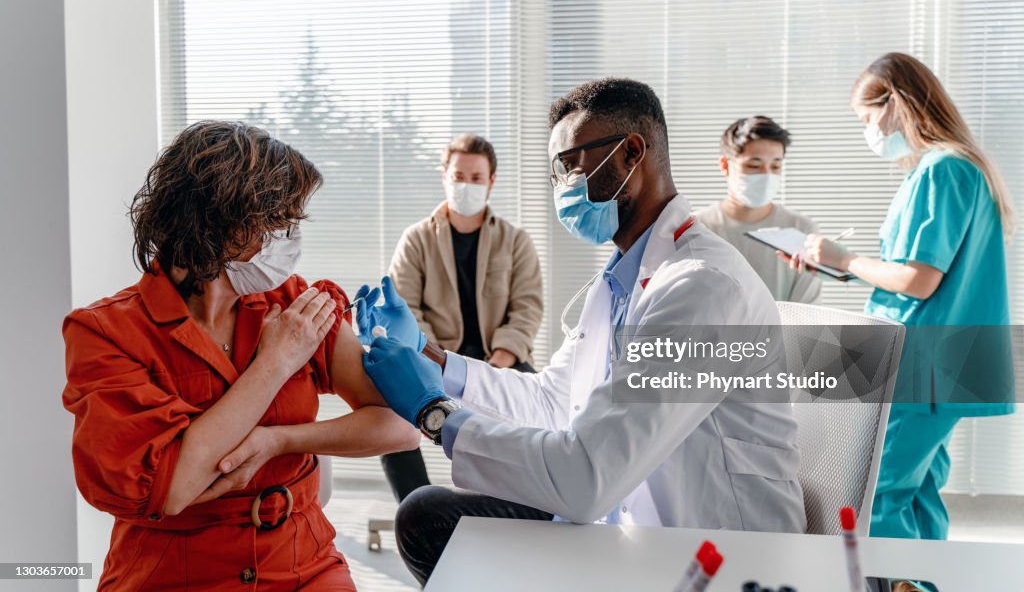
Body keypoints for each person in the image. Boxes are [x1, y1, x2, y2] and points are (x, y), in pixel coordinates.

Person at [357, 78, 807, 585]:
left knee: (443, 522)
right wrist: (435, 361)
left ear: (631, 153)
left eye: (570, 163)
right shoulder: (620, 281)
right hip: (636, 527)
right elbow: (554, 400)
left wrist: (434, 413)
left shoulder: (700, 287)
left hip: (717, 557)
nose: (563, 185)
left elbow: (587, 480)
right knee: (429, 515)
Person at [62, 121, 420, 590]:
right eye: (277, 223)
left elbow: (402, 427)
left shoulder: (295, 304)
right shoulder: (108, 333)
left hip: (302, 563)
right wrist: (274, 364)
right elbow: (170, 489)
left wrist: (280, 441)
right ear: (214, 223)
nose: (289, 239)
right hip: (172, 572)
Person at [796, 52, 1016, 540]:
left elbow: (918, 281)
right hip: (943, 364)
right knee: (918, 494)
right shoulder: (956, 169)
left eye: (867, 118)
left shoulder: (942, 171)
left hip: (922, 364)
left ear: (895, 103)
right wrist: (840, 266)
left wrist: (844, 258)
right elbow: (920, 275)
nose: (868, 131)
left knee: (878, 496)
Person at [378, 133, 544, 502]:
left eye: (475, 178)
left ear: (491, 182)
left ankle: (524, 510)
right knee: (388, 417)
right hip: (433, 362)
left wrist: (496, 364)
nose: (465, 185)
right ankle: (419, 512)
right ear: (444, 175)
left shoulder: (516, 241)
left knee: (545, 415)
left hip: (500, 363)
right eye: (459, 176)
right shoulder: (416, 239)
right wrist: (439, 362)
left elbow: (527, 307)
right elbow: (405, 310)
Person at [697, 116, 821, 303]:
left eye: (775, 165)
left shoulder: (801, 229)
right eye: (754, 165)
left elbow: (806, 316)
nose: (766, 175)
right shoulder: (698, 228)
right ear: (725, 165)